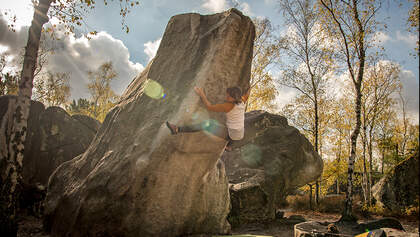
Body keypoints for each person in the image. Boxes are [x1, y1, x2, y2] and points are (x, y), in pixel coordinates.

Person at [166, 86, 250, 151]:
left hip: (230, 134)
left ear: (235, 98)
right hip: (240, 134)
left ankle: (177, 129)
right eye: (227, 94)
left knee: (206, 124)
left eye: (229, 96)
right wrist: (249, 89)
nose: (226, 97)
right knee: (235, 126)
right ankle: (229, 145)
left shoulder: (227, 106)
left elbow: (209, 107)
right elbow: (247, 95)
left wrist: (202, 94)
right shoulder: (242, 101)